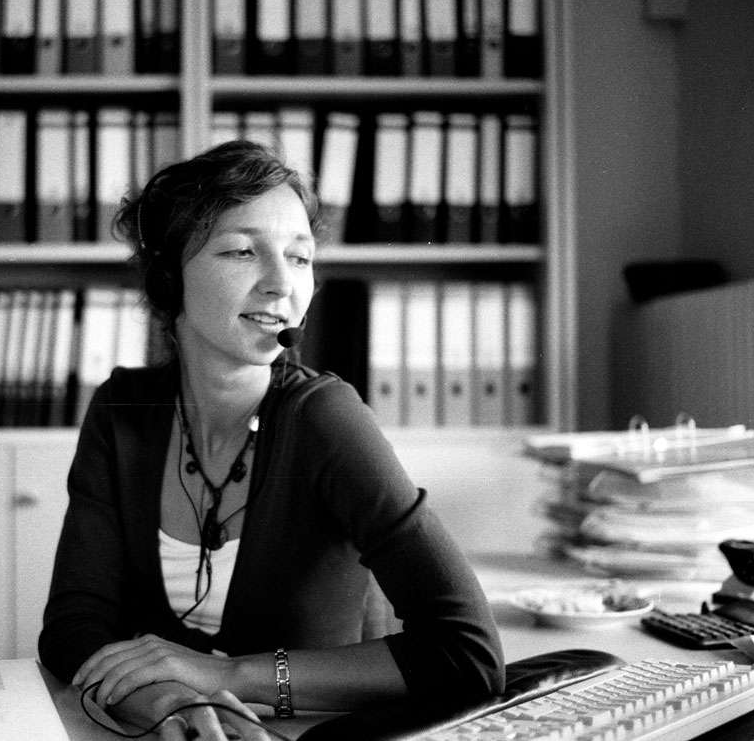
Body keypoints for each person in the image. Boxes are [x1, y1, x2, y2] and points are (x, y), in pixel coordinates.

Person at [38, 140, 503, 740]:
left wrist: (224, 675)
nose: (282, 285)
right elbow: (73, 626)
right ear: (169, 276)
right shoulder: (123, 410)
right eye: (242, 251)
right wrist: (167, 701)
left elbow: (469, 655)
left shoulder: (326, 418)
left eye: (300, 257)